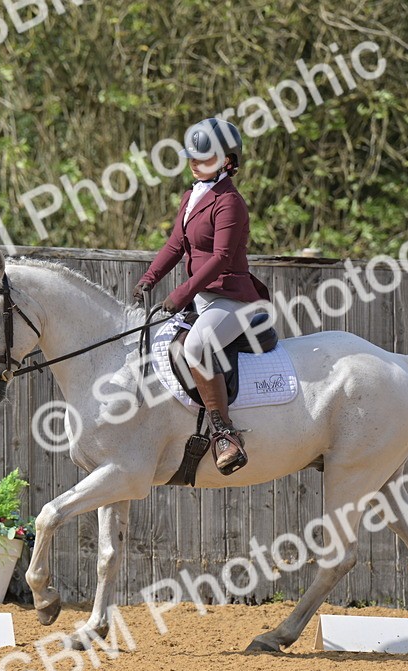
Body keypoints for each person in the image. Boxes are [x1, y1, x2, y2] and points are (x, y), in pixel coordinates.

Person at [133, 118, 269, 475]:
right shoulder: (191, 196)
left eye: (204, 158)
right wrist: (149, 278)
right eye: (191, 157)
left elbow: (222, 258)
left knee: (196, 347)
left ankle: (225, 434)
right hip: (202, 300)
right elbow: (177, 244)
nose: (195, 163)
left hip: (232, 299)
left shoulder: (230, 203)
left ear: (227, 160)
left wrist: (179, 293)